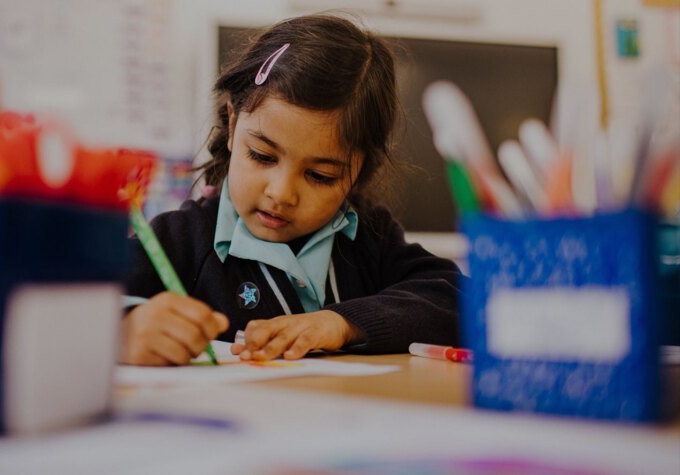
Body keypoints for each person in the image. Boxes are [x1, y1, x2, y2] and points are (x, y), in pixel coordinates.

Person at [121, 14, 462, 366]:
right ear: (233, 122)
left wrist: (341, 323)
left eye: (320, 175)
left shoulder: (368, 239)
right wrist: (124, 332)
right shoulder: (179, 241)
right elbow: (76, 309)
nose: (282, 193)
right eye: (262, 156)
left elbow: (458, 298)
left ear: (360, 170)